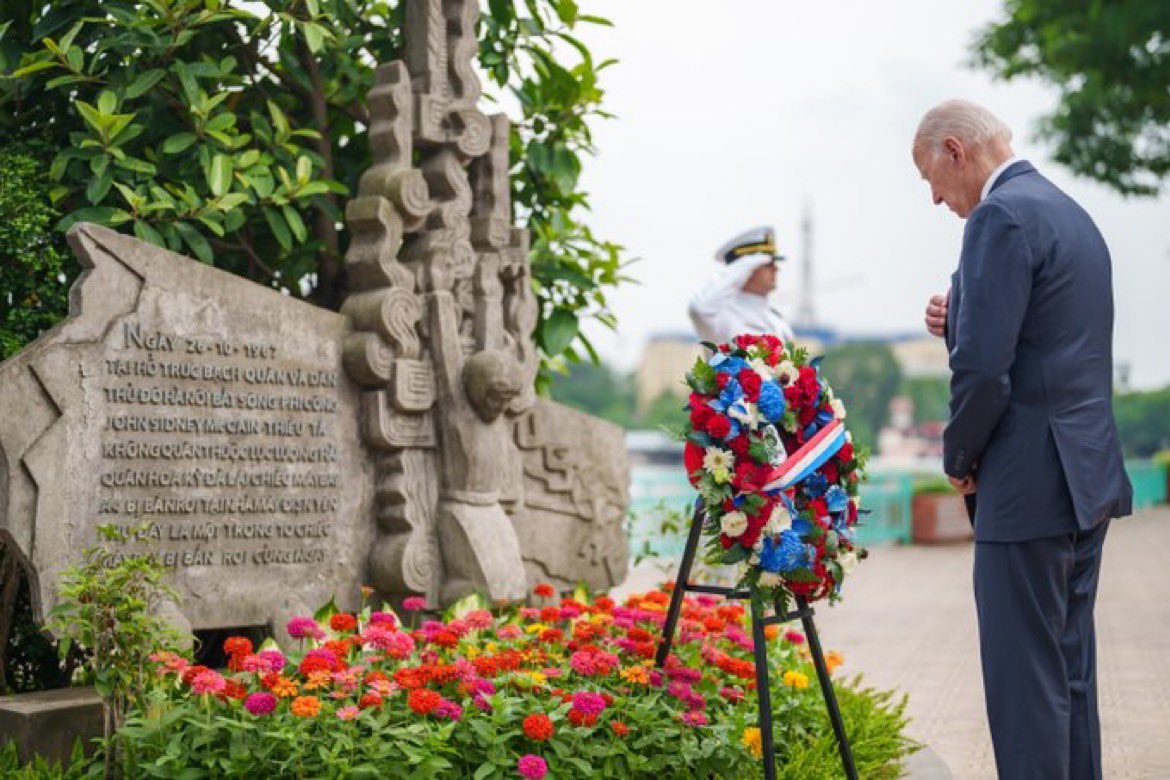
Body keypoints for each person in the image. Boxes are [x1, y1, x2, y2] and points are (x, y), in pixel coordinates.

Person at [912, 99, 1132, 780]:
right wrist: (962, 316)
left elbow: (986, 370)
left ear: (956, 149)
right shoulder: (1071, 213)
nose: (935, 200)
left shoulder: (997, 217)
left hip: (1028, 482)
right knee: (1068, 677)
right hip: (1084, 479)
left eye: (932, 180)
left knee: (1023, 689)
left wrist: (959, 458)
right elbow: (1050, 337)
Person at [687, 226, 794, 344]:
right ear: (747, 268)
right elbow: (698, 309)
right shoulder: (722, 315)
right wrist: (747, 263)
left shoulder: (776, 319)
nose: (775, 269)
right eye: (767, 264)